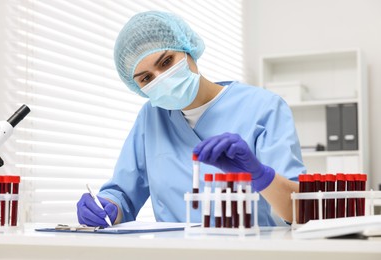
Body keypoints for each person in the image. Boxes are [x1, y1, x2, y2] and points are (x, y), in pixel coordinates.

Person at [76, 11, 306, 227]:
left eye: (166, 62)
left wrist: (260, 175)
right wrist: (107, 206)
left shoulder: (263, 107)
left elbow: (297, 210)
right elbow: (123, 195)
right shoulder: (151, 117)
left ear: (187, 48)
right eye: (146, 78)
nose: (162, 78)